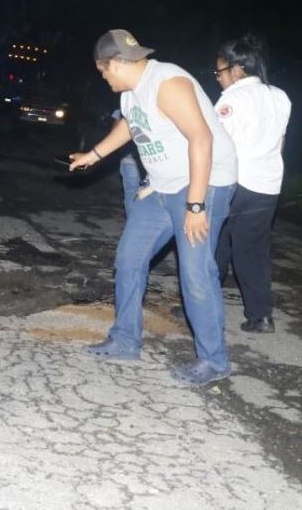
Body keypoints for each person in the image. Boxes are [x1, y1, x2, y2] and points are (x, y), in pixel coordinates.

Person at [70, 29, 237, 386]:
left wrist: (195, 205)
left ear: (115, 63)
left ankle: (214, 360)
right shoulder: (133, 93)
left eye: (103, 71)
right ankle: (125, 340)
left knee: (195, 273)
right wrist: (93, 155)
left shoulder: (167, 82)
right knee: (129, 258)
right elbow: (131, 126)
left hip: (203, 184)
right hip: (162, 186)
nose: (103, 78)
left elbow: (201, 138)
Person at [212, 34, 292, 333]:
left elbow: (217, 143)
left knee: (214, 246)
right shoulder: (280, 96)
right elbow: (279, 144)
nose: (219, 79)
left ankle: (202, 306)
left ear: (235, 69)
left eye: (219, 72)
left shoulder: (233, 98)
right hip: (267, 184)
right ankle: (261, 316)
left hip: (234, 183)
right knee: (253, 251)